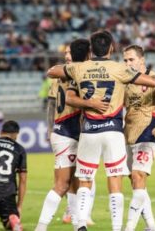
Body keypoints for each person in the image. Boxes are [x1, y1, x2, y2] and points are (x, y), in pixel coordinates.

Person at [47, 31, 155, 231]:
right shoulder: (119, 69)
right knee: (115, 180)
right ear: (111, 48)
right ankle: (118, 228)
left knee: (85, 179)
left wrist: (88, 100)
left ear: (91, 49)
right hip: (114, 132)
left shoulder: (80, 68)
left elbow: (53, 72)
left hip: (89, 131)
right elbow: (153, 81)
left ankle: (80, 223)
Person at [36, 39, 106, 231]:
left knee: (76, 183)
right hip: (67, 131)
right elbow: (60, 103)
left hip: (71, 133)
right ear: (87, 55)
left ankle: (78, 225)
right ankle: (41, 227)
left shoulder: (62, 72)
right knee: (62, 185)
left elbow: (52, 98)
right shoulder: (78, 73)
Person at [122, 45, 155, 231]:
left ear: (141, 60)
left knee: (138, 177)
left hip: (148, 134)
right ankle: (152, 227)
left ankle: (128, 228)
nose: (128, 63)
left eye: (131, 59)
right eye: (125, 60)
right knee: (137, 184)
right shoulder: (125, 80)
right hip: (127, 135)